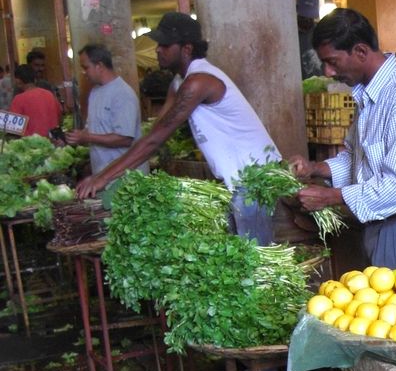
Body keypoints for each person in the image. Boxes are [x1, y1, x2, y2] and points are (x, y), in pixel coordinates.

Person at [75, 12, 280, 244]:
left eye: (165, 45)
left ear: (186, 49)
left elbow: (156, 139)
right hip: (237, 178)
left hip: (253, 177)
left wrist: (103, 178)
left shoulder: (198, 82)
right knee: (241, 252)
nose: (157, 50)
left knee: (256, 255)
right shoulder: (179, 81)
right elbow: (155, 130)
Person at [289, 8, 396, 270]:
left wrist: (331, 196)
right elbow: (356, 157)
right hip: (379, 224)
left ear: (361, 51)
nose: (328, 72)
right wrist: (315, 168)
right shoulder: (370, 98)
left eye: (333, 61)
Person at [65, 44, 148, 177]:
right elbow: (94, 130)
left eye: (86, 67)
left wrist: (87, 137)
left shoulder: (122, 93)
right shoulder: (95, 92)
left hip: (127, 177)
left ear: (99, 66)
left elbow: (125, 138)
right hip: (103, 174)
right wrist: (77, 137)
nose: (84, 72)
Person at [9, 64, 62, 138]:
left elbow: (13, 127)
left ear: (18, 81)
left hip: (31, 144)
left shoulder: (18, 99)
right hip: (54, 141)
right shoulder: (49, 94)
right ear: (35, 79)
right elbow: (59, 115)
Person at [297, 0, 324, 79]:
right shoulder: (290, 36)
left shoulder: (321, 32)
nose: (307, 20)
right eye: (303, 16)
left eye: (310, 18)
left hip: (321, 86)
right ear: (297, 10)